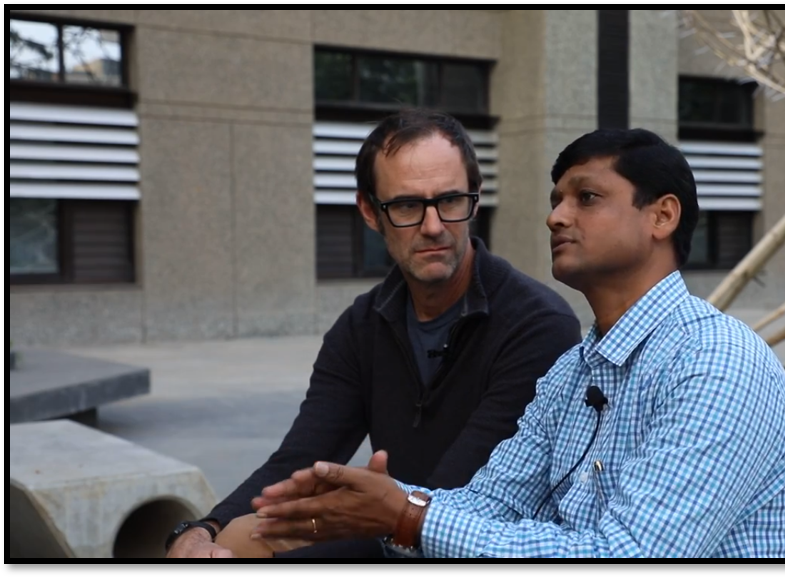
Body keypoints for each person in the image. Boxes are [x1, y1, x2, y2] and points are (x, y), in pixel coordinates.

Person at [247, 128, 785, 558]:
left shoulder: (716, 362)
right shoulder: (572, 373)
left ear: (662, 216)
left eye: (586, 197)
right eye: (555, 200)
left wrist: (407, 515)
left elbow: (631, 552)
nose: (556, 218)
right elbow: (493, 503)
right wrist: (378, 502)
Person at [164, 109, 584, 558]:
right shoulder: (363, 325)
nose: (433, 227)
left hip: (473, 540)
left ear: (475, 198)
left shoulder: (536, 324)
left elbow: (464, 495)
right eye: (407, 206)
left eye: (450, 200)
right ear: (369, 211)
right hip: (387, 526)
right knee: (235, 539)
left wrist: (358, 515)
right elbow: (301, 457)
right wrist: (203, 529)